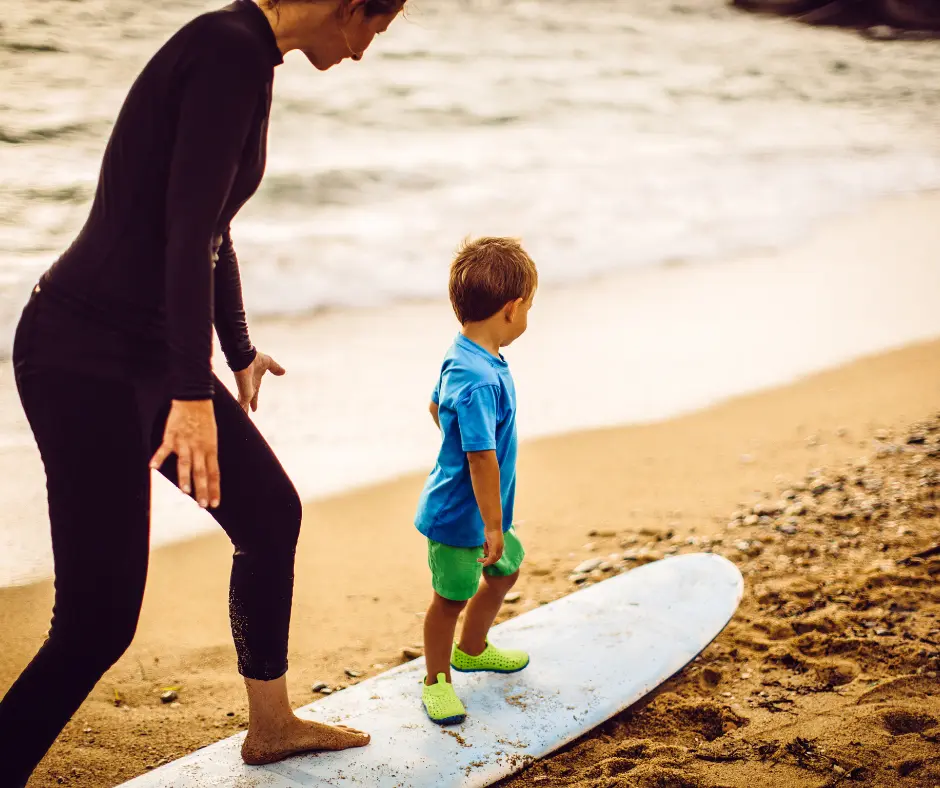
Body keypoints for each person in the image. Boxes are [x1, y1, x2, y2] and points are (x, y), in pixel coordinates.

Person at [0, 0, 405, 783]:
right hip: (81, 358)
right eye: (372, 33)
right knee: (96, 623)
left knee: (269, 516)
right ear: (349, 7)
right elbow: (186, 233)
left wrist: (239, 350)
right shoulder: (226, 51)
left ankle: (272, 725)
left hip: (146, 353)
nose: (361, 55)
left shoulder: (252, 56)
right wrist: (192, 394)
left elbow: (213, 226)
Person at [414, 237, 538, 725]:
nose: (528, 318)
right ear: (511, 310)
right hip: (461, 516)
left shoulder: (467, 354)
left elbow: (433, 405)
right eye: (530, 308)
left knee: (506, 570)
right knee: (450, 598)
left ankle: (472, 647)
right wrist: (492, 523)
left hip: (484, 512)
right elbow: (481, 457)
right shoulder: (480, 377)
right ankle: (436, 682)